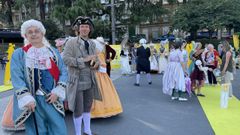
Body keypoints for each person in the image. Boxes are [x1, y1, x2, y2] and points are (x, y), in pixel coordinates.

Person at [6, 19, 68, 135]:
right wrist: (26, 98)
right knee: (37, 131)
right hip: (33, 102)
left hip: (52, 99)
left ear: (42, 33)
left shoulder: (53, 52)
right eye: (30, 32)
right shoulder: (19, 54)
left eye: (36, 31)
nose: (34, 34)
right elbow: (16, 77)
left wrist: (57, 91)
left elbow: (63, 72)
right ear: (25, 35)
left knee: (59, 129)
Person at [63, 16, 101, 135]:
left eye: (87, 27)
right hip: (76, 81)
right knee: (78, 109)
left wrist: (97, 64)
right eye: (82, 27)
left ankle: (87, 131)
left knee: (87, 107)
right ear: (78, 29)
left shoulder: (92, 43)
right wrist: (84, 60)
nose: (84, 29)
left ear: (90, 29)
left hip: (90, 79)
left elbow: (96, 59)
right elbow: (65, 59)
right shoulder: (71, 42)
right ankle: (78, 133)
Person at [90, 37, 123, 118]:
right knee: (106, 92)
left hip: (98, 75)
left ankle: (100, 110)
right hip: (102, 75)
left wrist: (93, 66)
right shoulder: (100, 53)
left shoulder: (98, 54)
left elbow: (99, 65)